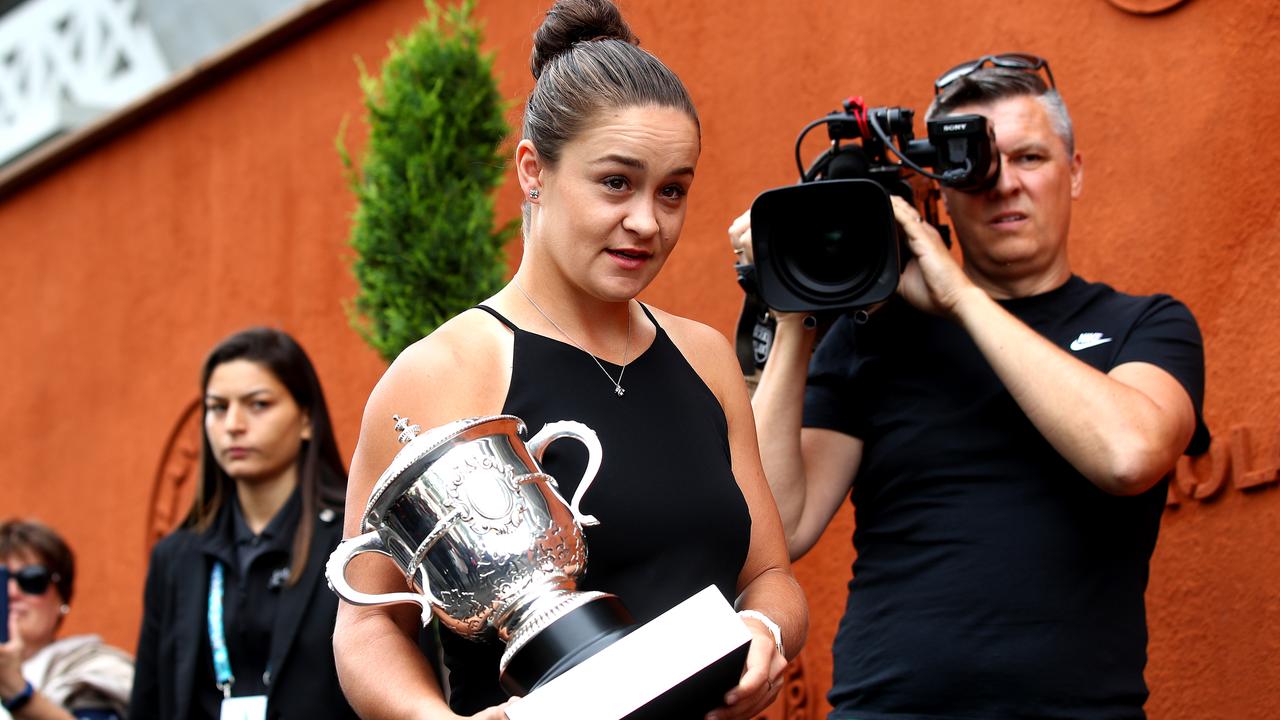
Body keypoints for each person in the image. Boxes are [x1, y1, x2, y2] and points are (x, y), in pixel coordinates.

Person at [332, 1, 808, 718]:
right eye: (616, 182)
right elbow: (369, 623)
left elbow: (770, 573)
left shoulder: (705, 359)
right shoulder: (449, 371)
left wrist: (765, 629)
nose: (647, 221)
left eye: (672, 190)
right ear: (534, 170)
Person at [736, 55, 1209, 719]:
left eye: (1031, 158)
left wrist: (956, 294)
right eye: (977, 165)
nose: (1005, 185)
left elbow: (1128, 455)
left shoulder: (1146, 325)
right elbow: (778, 527)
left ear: (1074, 172)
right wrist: (795, 311)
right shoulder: (875, 338)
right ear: (939, 188)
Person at [129, 327, 358, 720]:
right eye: (217, 407)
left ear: (306, 419)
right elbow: (147, 703)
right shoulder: (176, 556)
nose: (233, 424)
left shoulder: (352, 544)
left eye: (258, 404)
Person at [0, 520, 133, 720]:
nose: (12, 593)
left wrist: (19, 693)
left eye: (32, 579)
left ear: (61, 597)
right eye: (2, 581)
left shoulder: (94, 673)